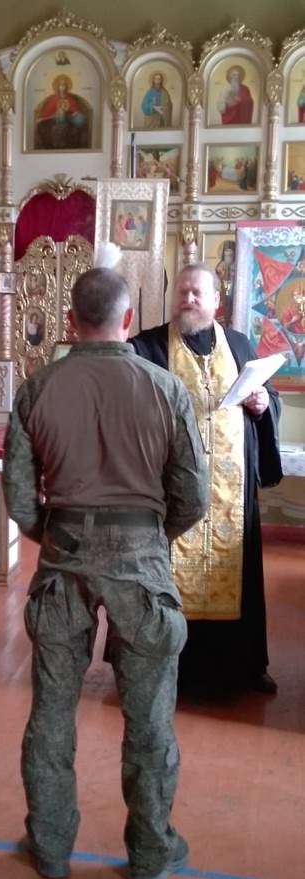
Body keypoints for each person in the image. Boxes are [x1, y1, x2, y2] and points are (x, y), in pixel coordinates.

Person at [2, 267, 209, 879]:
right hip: (141, 563)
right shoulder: (164, 388)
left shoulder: (38, 388)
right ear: (127, 320)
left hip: (63, 557)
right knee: (149, 719)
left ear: (70, 320)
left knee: (51, 711)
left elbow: (19, 496)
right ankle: (149, 852)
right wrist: (150, 537)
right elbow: (194, 496)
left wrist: (53, 533)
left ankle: (50, 845)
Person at [129, 264, 282, 694]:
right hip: (173, 493)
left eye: (197, 293)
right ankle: (161, 667)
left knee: (237, 574)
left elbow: (268, 396)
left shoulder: (239, 344)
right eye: (182, 292)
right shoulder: (147, 346)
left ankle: (245, 666)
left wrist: (261, 403)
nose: (188, 299)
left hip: (230, 491)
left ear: (217, 301)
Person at [34, 75, 91, 150]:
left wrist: (70, 114)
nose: (62, 87)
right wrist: (52, 116)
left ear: (67, 86)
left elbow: (76, 112)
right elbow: (46, 113)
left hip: (69, 123)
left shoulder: (71, 99)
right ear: (57, 87)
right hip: (53, 122)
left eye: (64, 85)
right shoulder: (53, 99)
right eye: (60, 85)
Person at [215, 240, 236, 326]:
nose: (229, 255)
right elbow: (218, 273)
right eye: (227, 252)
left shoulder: (236, 264)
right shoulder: (221, 264)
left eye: (231, 253)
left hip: (234, 289)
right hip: (225, 287)